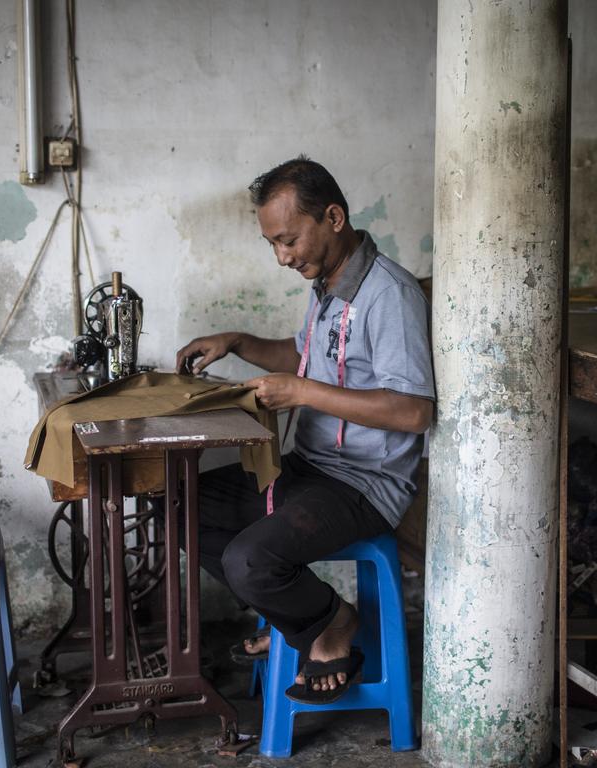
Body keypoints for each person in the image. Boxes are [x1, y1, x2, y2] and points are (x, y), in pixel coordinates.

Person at [174, 157, 435, 702]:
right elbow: (304, 355)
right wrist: (239, 342)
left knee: (251, 560)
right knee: (181, 510)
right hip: (312, 469)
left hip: (364, 484)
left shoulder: (390, 295)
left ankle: (332, 623)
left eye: (288, 240)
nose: (282, 256)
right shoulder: (326, 285)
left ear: (333, 217)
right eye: (273, 243)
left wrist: (303, 392)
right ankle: (301, 622)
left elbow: (413, 411)